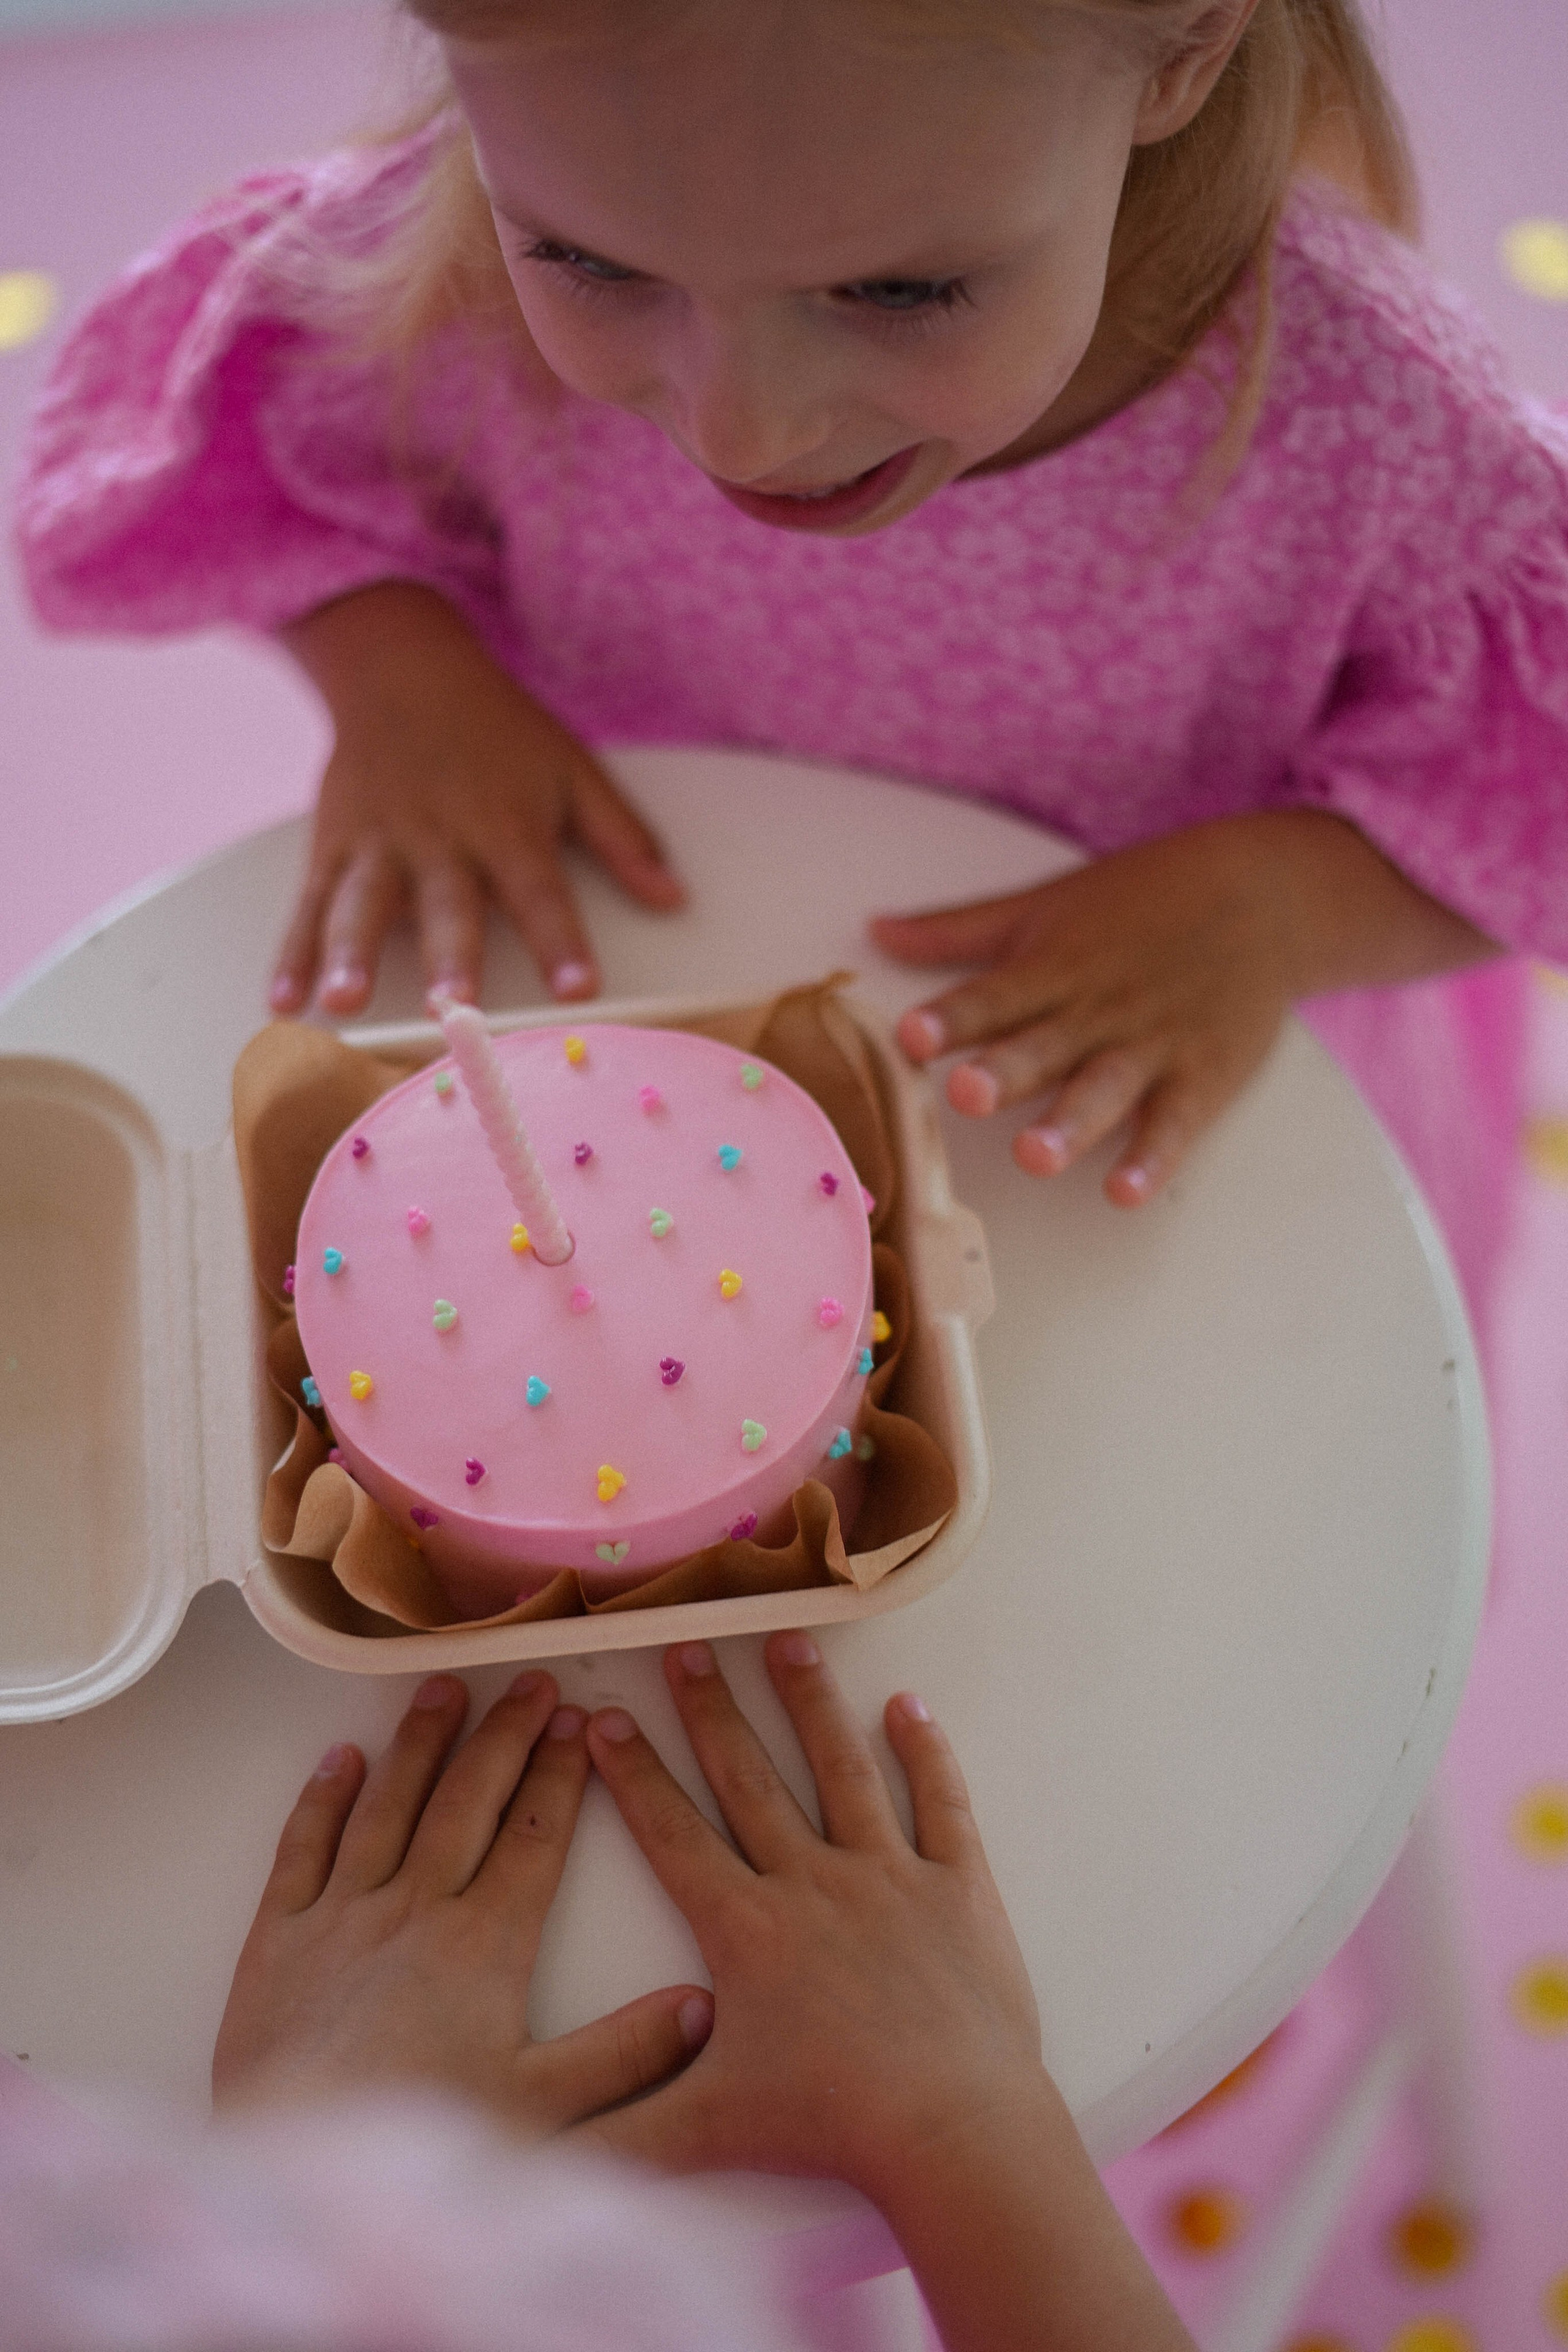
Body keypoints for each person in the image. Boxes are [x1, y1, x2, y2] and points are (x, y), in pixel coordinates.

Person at [16, 0, 1566, 1333]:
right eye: (593, 266)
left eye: (896, 292)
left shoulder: (1366, 415)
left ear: (1183, 47)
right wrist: (396, 671)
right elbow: (265, 456)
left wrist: (1281, 908)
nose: (739, 431)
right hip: (645, 1017)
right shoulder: (455, 262)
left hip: (1138, 1070)